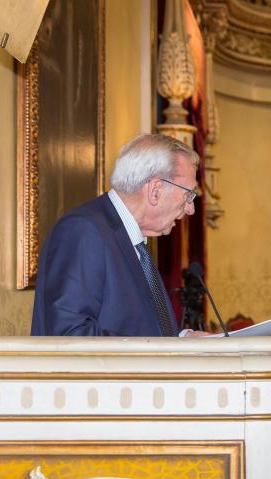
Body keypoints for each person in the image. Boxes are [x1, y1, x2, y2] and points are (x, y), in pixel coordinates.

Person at [31, 134, 202, 337]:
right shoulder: (84, 231)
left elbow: (138, 325)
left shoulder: (132, 240)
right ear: (155, 190)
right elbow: (70, 335)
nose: (190, 209)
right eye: (188, 195)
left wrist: (184, 339)